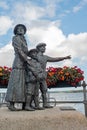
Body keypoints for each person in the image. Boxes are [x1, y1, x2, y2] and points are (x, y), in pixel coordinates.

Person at [36, 43, 71, 108]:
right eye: (42, 47)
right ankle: (36, 105)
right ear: (38, 48)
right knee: (35, 91)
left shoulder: (45, 57)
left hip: (43, 76)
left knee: (44, 90)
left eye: (44, 47)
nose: (44, 48)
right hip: (36, 76)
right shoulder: (35, 57)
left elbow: (55, 59)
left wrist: (64, 58)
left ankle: (45, 104)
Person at [5, 24, 29, 111]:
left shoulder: (24, 40)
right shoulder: (16, 38)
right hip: (19, 62)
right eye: (18, 29)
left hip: (23, 63)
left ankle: (23, 103)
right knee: (15, 82)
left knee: (22, 83)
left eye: (22, 29)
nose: (20, 30)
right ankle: (10, 103)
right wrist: (27, 59)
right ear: (16, 31)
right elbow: (19, 50)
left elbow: (26, 51)